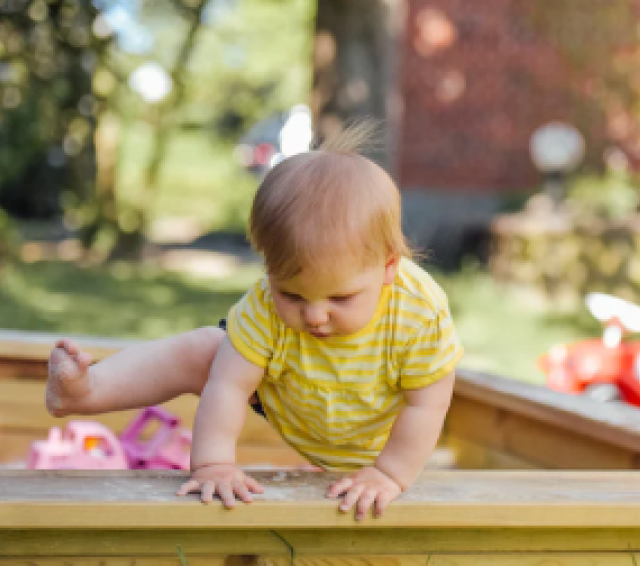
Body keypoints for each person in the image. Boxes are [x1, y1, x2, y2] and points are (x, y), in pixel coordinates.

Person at [46, 123, 463, 521]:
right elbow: (228, 386)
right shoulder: (263, 305)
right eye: (292, 295)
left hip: (377, 430)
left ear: (389, 267)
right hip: (293, 394)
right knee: (206, 350)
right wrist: (212, 464)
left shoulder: (417, 312)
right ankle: (85, 391)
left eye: (341, 297)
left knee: (410, 417)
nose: (314, 315)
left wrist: (389, 473)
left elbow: (428, 402)